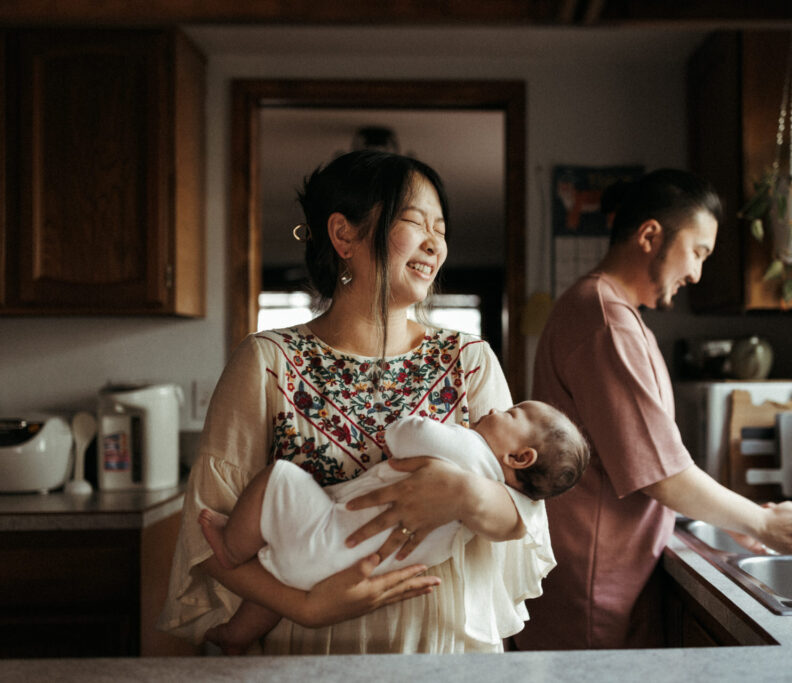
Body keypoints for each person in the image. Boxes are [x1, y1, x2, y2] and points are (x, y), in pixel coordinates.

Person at [158, 150, 559, 654]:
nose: (435, 244)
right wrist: (305, 606)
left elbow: (523, 517)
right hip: (306, 652)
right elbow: (207, 534)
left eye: (441, 228)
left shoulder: (470, 360)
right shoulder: (268, 361)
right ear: (344, 235)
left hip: (444, 656)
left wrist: (463, 494)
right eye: (415, 222)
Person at [513, 169, 792, 651]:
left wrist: (735, 517)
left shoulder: (609, 311)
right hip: (595, 584)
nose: (697, 273)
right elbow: (662, 474)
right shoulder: (606, 322)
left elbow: (650, 458)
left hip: (607, 572)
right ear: (650, 235)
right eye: (697, 252)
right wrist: (759, 523)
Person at [197, 402, 588, 654]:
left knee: (277, 478)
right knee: (288, 577)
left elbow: (403, 434)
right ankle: (238, 635)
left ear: (520, 456)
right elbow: (526, 517)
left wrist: (443, 430)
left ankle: (231, 547)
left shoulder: (469, 449)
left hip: (325, 533)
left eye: (512, 412)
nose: (495, 407)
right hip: (352, 570)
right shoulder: (493, 502)